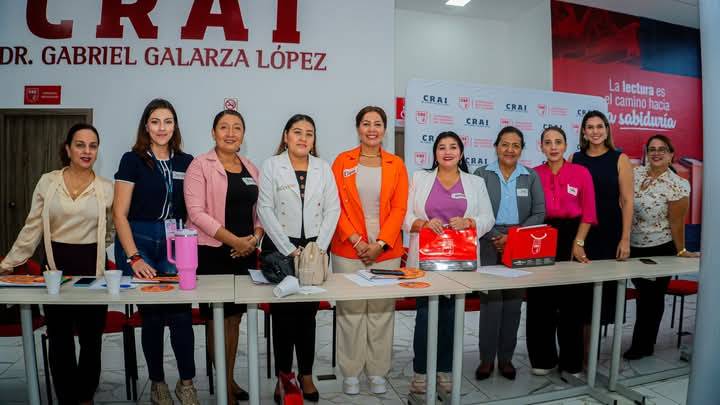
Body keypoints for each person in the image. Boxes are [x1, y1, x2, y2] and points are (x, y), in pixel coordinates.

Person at [0, 123, 113, 405]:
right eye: (80, 145)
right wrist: (9, 262)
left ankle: (85, 397)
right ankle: (66, 398)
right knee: (60, 338)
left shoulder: (106, 188)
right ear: (68, 148)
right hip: (55, 267)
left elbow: (111, 228)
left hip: (92, 267)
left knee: (91, 339)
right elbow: (33, 227)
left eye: (93, 146)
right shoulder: (48, 182)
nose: (87, 151)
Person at [113, 99, 198, 405]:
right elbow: (119, 213)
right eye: (155, 121)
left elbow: (194, 208)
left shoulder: (186, 162)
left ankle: (186, 383)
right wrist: (134, 257)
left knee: (180, 315)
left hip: (176, 241)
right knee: (151, 317)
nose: (162, 128)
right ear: (146, 126)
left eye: (168, 121)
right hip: (140, 239)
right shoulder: (132, 160)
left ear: (175, 126)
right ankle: (158, 383)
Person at [257, 114, 340, 404]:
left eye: (309, 133)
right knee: (283, 317)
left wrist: (318, 248)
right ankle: (284, 377)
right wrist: (289, 249)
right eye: (297, 132)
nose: (303, 138)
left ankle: (306, 374)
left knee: (307, 315)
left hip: (315, 248)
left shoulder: (323, 168)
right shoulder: (272, 165)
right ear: (286, 136)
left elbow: (333, 209)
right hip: (281, 248)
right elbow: (265, 209)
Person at [404, 131, 494, 394]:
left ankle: (444, 369)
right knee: (425, 316)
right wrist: (422, 223)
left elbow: (488, 218)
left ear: (461, 153)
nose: (447, 152)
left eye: (453, 147)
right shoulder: (419, 178)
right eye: (441, 147)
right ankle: (421, 372)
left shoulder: (475, 182)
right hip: (426, 260)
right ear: (435, 153)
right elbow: (405, 216)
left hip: (460, 261)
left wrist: (469, 222)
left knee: (451, 316)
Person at [184, 109, 264, 402]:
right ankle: (224, 387)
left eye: (237, 127)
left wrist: (255, 238)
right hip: (213, 253)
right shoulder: (199, 165)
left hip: (245, 253)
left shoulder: (251, 168)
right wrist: (235, 241)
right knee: (217, 320)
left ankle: (228, 380)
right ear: (213, 132)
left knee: (235, 320)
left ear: (243, 134)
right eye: (224, 127)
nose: (230, 133)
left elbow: (261, 211)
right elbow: (196, 213)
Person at [331, 106, 408, 395]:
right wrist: (357, 241)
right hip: (348, 249)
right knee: (350, 312)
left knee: (381, 312)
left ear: (385, 129)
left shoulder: (396, 164)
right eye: (366, 123)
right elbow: (334, 205)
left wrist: (380, 244)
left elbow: (400, 208)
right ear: (358, 128)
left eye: (377, 124)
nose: (372, 129)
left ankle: (377, 371)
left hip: (385, 252)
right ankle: (350, 372)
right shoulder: (343, 161)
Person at [473, 126, 545, 380]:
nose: (510, 150)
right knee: (490, 305)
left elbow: (539, 212)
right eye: (505, 144)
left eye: (515, 145)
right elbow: (476, 211)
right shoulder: (481, 174)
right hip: (488, 240)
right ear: (496, 147)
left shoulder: (530, 177)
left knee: (513, 305)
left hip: (520, 241)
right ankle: (486, 360)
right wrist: (496, 236)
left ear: (521, 149)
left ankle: (505, 359)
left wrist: (513, 237)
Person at [527, 126, 597, 376]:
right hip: (541, 234)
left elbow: (589, 212)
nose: (553, 147)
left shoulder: (581, 172)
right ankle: (542, 359)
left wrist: (579, 243)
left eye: (558, 142)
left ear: (566, 146)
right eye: (548, 142)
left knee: (572, 303)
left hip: (572, 235)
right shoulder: (533, 174)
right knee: (540, 302)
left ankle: (571, 362)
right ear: (541, 147)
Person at [624, 134, 699, 360]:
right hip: (633, 246)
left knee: (651, 297)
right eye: (652, 149)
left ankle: (643, 345)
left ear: (671, 154)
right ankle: (645, 340)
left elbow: (677, 223)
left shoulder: (677, 184)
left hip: (661, 248)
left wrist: (681, 250)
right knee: (643, 295)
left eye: (662, 149)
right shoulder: (635, 174)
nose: (656, 153)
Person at [571, 110, 633, 329]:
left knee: (605, 297)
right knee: (580, 295)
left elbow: (627, 201)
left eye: (599, 126)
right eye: (590, 127)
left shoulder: (620, 159)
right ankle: (583, 345)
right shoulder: (575, 159)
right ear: (584, 132)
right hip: (582, 234)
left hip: (609, 233)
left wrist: (625, 238)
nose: (595, 131)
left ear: (607, 130)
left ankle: (595, 344)